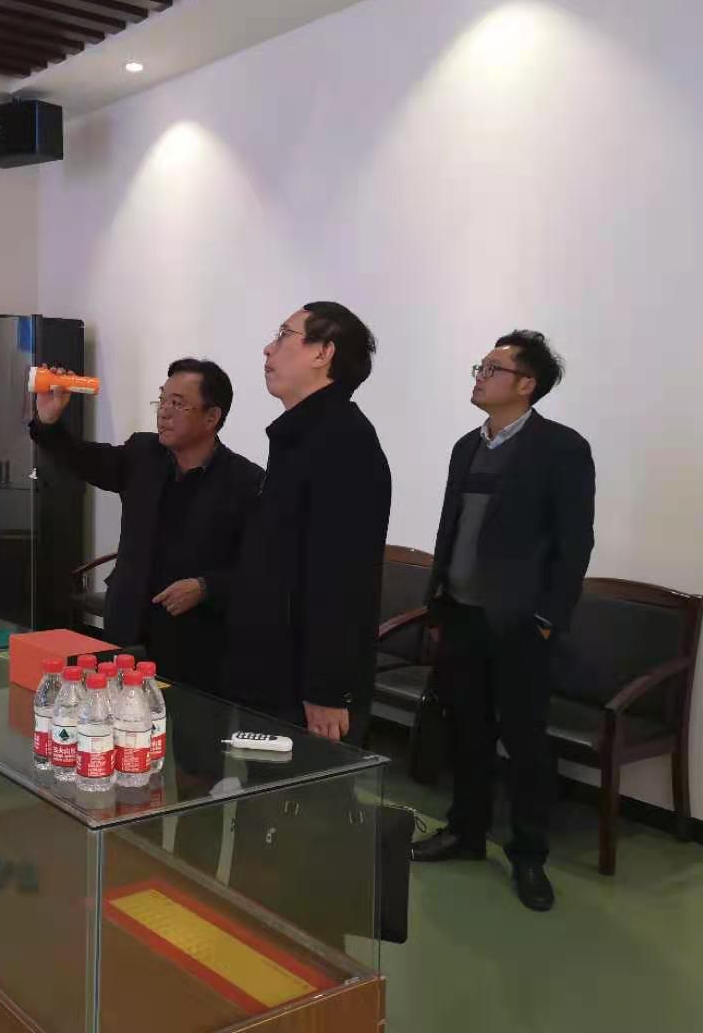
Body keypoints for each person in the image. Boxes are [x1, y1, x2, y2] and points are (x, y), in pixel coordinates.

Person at [410, 330, 596, 914]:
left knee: (524, 741)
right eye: (480, 366)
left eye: (492, 368)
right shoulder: (467, 446)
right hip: (462, 615)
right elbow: (451, 527)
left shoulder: (561, 448)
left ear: (526, 384)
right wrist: (438, 599)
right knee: (467, 731)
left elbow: (574, 543)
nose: (479, 376)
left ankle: (529, 856)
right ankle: (466, 832)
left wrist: (547, 618)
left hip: (520, 625)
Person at [31, 359, 263, 693]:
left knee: (187, 723)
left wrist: (206, 586)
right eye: (162, 400)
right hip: (127, 628)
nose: (164, 412)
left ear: (212, 417)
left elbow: (258, 566)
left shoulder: (245, 481)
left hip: (195, 642)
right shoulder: (142, 454)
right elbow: (81, 457)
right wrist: (49, 420)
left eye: (178, 404)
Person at [222, 302, 391, 743]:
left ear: (323, 352)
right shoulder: (302, 436)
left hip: (306, 687)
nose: (268, 348)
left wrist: (327, 689)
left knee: (304, 787)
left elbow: (343, 575)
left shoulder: (344, 441)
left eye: (284, 335)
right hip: (274, 667)